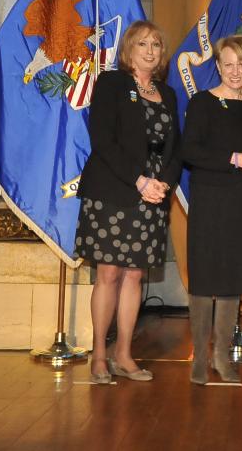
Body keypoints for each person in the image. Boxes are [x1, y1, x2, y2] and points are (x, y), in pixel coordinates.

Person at [74, 20, 182, 384]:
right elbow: (103, 140)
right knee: (109, 273)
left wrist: (163, 183)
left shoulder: (167, 93)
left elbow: (175, 149)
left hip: (153, 194)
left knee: (135, 274)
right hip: (114, 190)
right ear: (128, 50)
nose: (150, 51)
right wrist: (139, 181)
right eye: (142, 44)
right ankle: (99, 355)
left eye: (155, 45)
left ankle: (124, 354)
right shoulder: (112, 84)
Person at [180, 35, 242, 385]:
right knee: (203, 279)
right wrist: (233, 159)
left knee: (232, 279)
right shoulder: (202, 102)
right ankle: (200, 357)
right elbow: (189, 151)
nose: (235, 71)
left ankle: (221, 356)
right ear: (217, 66)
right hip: (209, 199)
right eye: (228, 64)